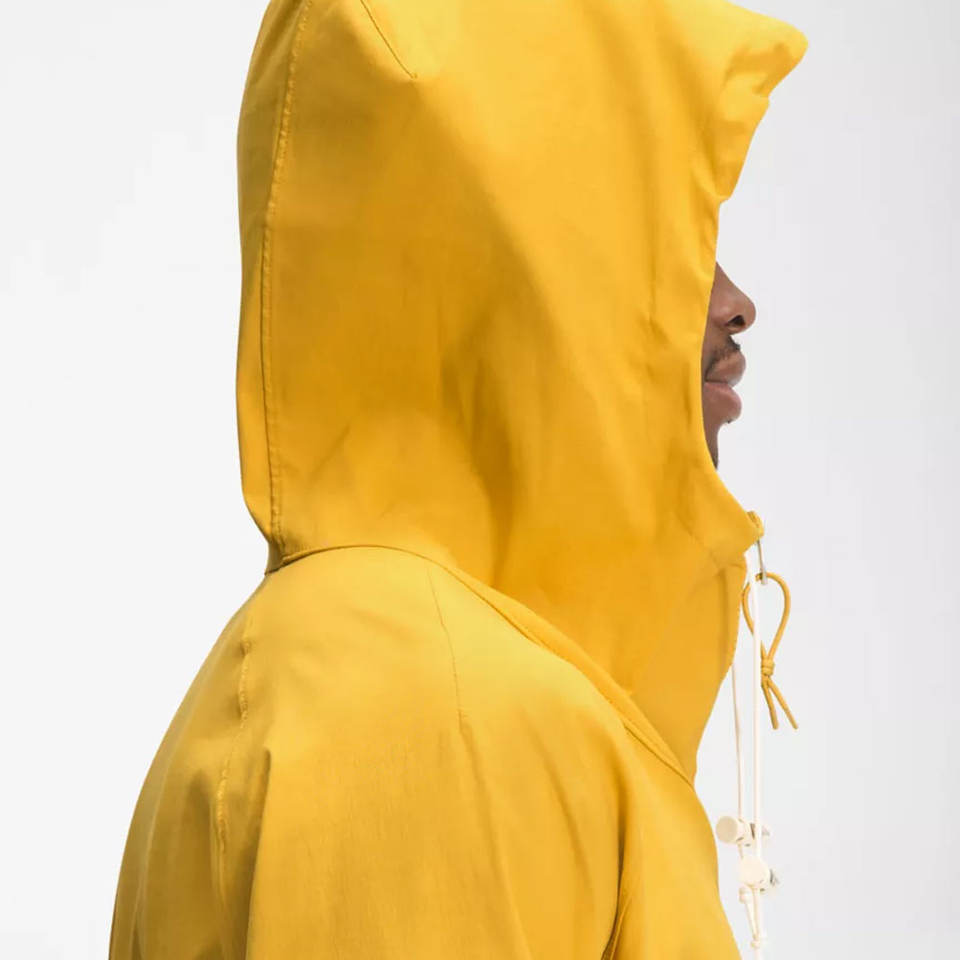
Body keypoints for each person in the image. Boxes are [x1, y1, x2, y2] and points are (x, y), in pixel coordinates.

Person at [109, 0, 806, 956]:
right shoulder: (444, 720)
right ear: (527, 283)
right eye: (671, 246)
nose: (736, 303)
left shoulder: (382, 666)